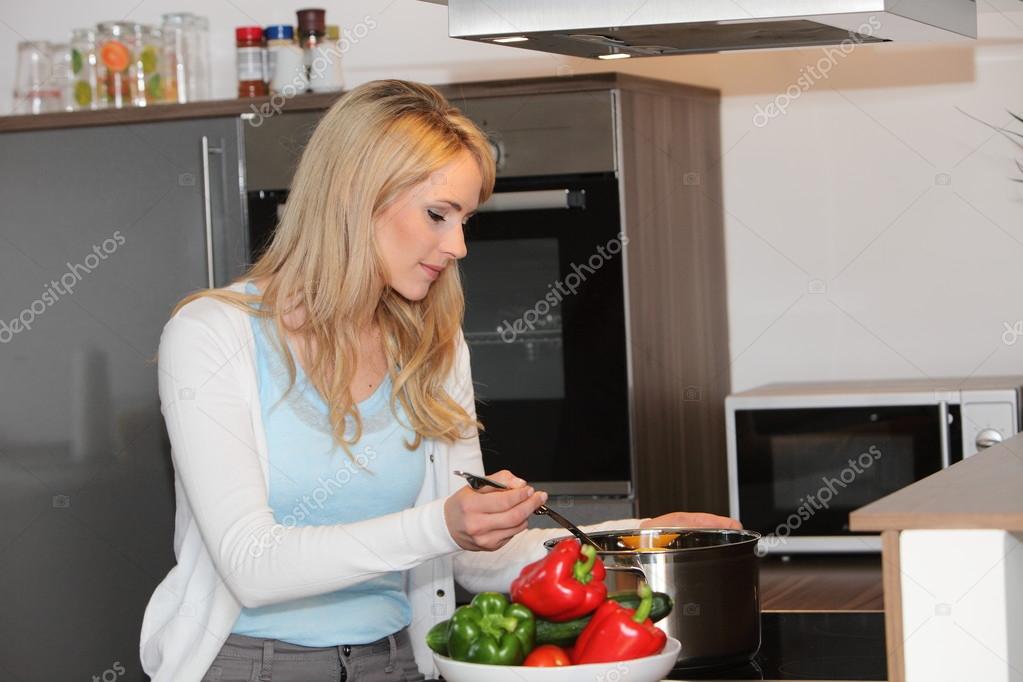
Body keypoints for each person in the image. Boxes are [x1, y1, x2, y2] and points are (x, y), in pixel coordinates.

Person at [139, 79, 739, 682]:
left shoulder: (432, 345)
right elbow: (252, 566)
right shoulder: (210, 336)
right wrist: (441, 523)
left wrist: (629, 540)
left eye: (464, 220)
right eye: (437, 214)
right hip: (248, 665)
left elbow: (473, 560)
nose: (457, 245)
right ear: (355, 195)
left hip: (397, 660)